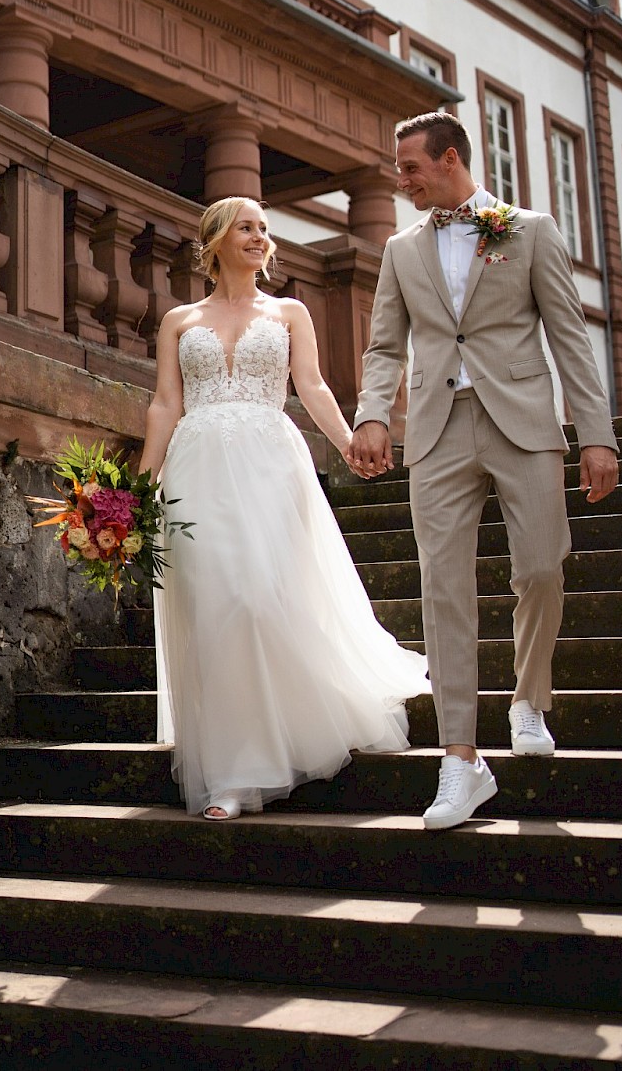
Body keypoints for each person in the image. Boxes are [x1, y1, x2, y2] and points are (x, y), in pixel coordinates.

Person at [349, 111, 619, 830]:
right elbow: (383, 347)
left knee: (540, 569)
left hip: (523, 419)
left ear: (451, 159)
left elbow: (569, 336)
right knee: (443, 588)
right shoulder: (402, 250)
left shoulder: (528, 230)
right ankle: (460, 758)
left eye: (409, 168)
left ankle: (529, 697)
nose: (399, 181)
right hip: (437, 431)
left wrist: (597, 435)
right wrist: (373, 413)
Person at [139, 196, 430, 820]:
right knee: (215, 602)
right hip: (195, 469)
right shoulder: (178, 320)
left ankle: (286, 732)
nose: (258, 237)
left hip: (272, 464)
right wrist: (137, 490)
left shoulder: (291, 312)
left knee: (259, 595)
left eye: (263, 229)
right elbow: (166, 404)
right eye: (246, 227)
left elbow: (313, 385)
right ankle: (233, 776)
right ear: (216, 238)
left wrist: (349, 440)